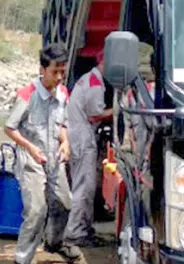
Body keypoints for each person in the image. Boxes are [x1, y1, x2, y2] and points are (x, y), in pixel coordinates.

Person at [4, 43, 83, 264]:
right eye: (54, 71)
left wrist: (65, 142)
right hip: (31, 158)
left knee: (65, 203)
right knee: (36, 211)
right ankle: (22, 259)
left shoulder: (63, 93)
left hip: (54, 157)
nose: (59, 77)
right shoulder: (27, 94)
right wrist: (29, 147)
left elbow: (63, 124)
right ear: (42, 69)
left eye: (62, 72)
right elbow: (9, 128)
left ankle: (55, 242)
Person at [64, 50, 113, 248]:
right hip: (82, 136)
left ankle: (84, 228)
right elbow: (95, 115)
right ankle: (76, 232)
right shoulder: (94, 83)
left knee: (84, 185)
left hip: (78, 134)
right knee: (84, 187)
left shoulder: (90, 79)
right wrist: (119, 109)